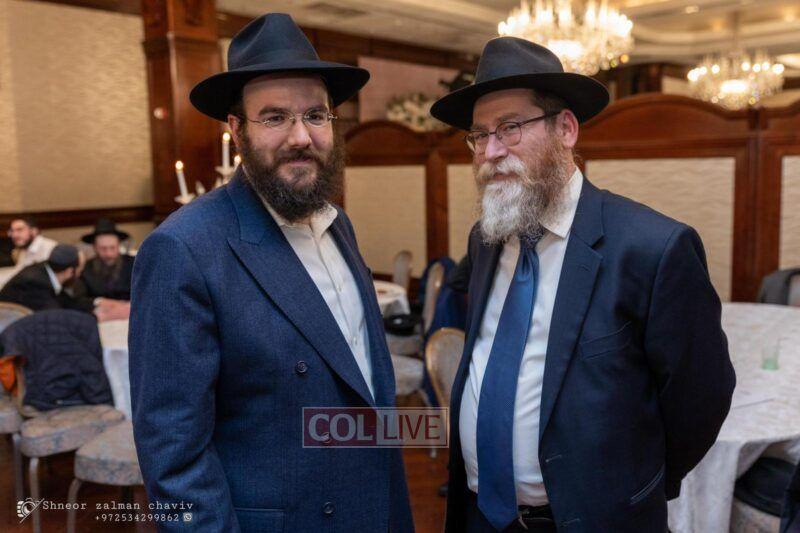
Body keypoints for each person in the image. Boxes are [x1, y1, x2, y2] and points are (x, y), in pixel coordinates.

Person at [429, 37, 736, 533]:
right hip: (479, 514)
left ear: (566, 128)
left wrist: (632, 489)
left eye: (510, 128)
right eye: (479, 135)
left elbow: (701, 401)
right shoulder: (486, 238)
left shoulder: (652, 248)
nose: (490, 152)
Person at [129, 13, 413, 533]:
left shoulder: (338, 223)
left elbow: (363, 387)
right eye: (275, 117)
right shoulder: (184, 249)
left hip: (372, 504)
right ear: (236, 129)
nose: (301, 136)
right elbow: (173, 457)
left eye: (316, 115)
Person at [0, 244, 91, 312]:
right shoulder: (35, 284)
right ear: (69, 272)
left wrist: (94, 304)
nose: (79, 275)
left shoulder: (46, 271)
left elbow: (66, 301)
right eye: (80, 271)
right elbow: (56, 316)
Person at [76, 219, 135, 301]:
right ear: (94, 247)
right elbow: (80, 298)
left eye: (112, 248)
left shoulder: (134, 264)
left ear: (119, 245)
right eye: (103, 249)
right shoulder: (85, 269)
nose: (108, 254)